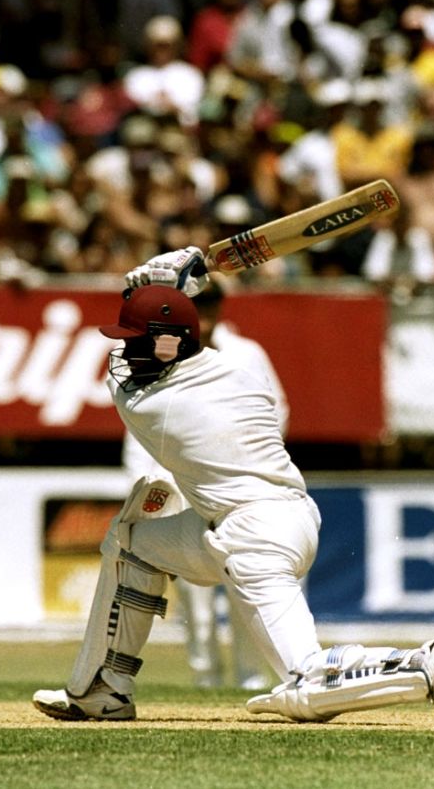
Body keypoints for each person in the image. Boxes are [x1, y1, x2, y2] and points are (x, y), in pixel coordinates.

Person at [33, 258, 434, 723]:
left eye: (135, 340)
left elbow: (116, 372)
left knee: (306, 687)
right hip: (265, 519)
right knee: (132, 543)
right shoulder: (236, 372)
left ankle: (425, 664)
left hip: (256, 535)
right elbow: (168, 345)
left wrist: (150, 287)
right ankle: (103, 689)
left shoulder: (155, 404)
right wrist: (171, 293)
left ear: (166, 345)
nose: (126, 350)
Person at [119, 280, 284, 691]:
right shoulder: (160, 356)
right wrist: (159, 498)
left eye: (211, 306)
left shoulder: (246, 353)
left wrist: (240, 464)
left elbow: (275, 414)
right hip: (182, 495)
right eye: (198, 308)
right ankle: (205, 679)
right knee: (197, 602)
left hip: (236, 491)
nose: (206, 316)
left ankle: (250, 678)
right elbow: (139, 442)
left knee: (248, 586)